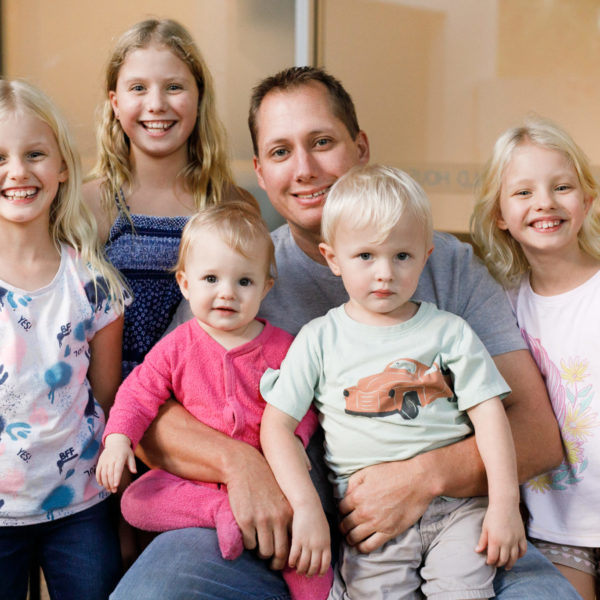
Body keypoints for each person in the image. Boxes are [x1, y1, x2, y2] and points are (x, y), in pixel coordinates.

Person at [112, 67, 578, 600]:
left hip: (456, 525)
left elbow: (538, 434)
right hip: (283, 535)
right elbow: (150, 410)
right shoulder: (240, 270)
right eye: (281, 152)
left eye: (322, 142)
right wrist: (239, 464)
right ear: (261, 173)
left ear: (360, 148)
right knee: (155, 590)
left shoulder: (448, 267)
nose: (305, 168)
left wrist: (423, 477)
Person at [260, 164, 526, 598]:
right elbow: (276, 426)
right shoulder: (318, 338)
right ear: (333, 258)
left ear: (425, 255)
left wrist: (504, 505)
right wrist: (306, 507)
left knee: (465, 592)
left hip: (460, 510)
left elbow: (491, 417)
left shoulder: (450, 332)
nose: (384, 272)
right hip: (369, 518)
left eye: (401, 256)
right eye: (365, 256)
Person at [98, 202, 332, 600]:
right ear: (185, 284)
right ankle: (218, 513)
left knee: (307, 558)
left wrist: (296, 436)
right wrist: (118, 438)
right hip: (195, 482)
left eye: (244, 282)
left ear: (265, 287)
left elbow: (307, 403)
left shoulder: (283, 348)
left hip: (275, 479)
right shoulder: (178, 345)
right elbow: (138, 393)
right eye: (211, 279)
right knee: (136, 501)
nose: (227, 293)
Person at [0, 80, 129, 600]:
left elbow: (106, 396)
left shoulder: (94, 283)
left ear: (63, 169)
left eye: (34, 154)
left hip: (79, 507)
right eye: (2, 157)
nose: (17, 172)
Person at [471, 116, 600, 600]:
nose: (545, 202)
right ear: (500, 214)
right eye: (523, 193)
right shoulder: (502, 304)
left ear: (587, 200)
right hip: (556, 527)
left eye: (561, 187)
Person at [83, 18, 252, 380]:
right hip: (112, 408)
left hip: (204, 406)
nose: (156, 104)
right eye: (138, 88)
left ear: (199, 96)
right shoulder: (87, 205)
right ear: (115, 101)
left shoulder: (232, 206)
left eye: (174, 87)